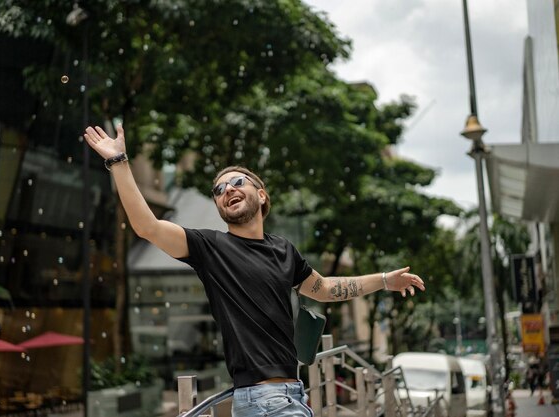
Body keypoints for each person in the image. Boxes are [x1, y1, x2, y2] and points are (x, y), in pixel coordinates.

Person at [84, 124, 426, 417]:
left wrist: (384, 280)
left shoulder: (283, 250)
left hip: (292, 394)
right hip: (265, 400)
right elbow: (148, 227)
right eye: (219, 190)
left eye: (236, 182)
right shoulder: (210, 248)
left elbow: (323, 289)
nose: (227, 190)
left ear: (261, 196)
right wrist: (118, 161)